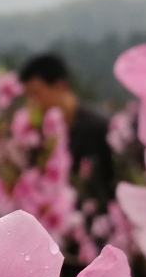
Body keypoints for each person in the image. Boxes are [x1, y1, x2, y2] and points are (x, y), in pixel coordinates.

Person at [19, 53, 116, 208]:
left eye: (36, 93)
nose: (31, 103)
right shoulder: (39, 136)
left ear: (60, 86)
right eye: (28, 96)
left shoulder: (101, 128)